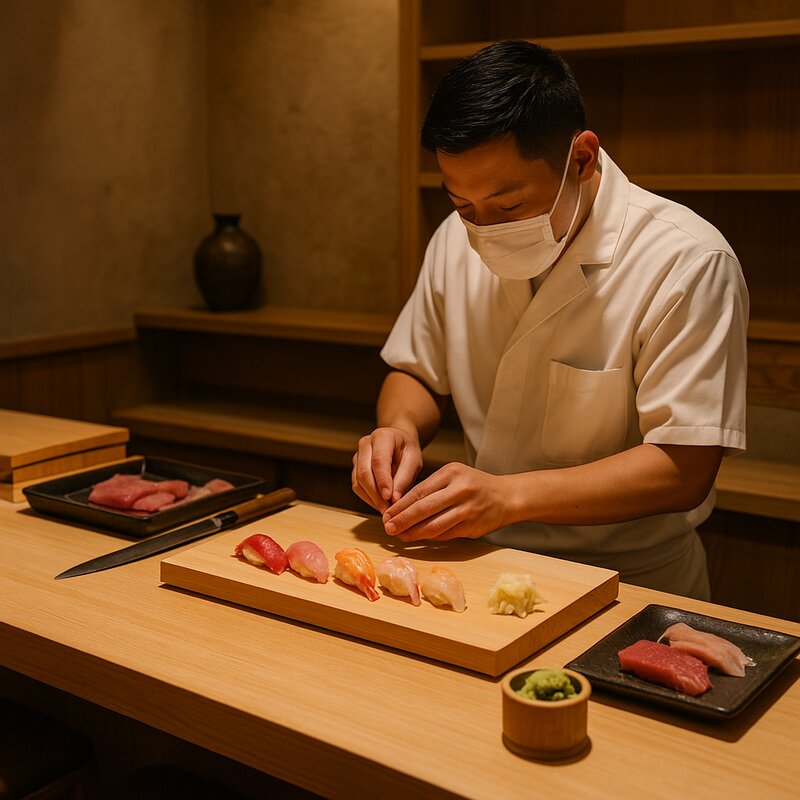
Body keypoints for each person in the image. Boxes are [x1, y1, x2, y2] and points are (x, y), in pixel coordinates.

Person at [351, 40, 748, 599]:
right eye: (463, 205)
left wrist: (508, 497)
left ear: (581, 158)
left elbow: (684, 468)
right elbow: (418, 370)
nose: (484, 228)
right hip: (479, 561)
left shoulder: (686, 261)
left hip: (630, 580)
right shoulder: (453, 240)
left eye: (507, 206)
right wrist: (398, 428)